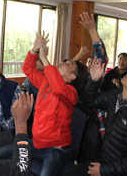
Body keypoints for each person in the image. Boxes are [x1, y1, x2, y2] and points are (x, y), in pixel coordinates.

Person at [70, 60, 127, 176]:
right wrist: (94, 80)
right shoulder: (117, 95)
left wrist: (104, 170)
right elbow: (90, 101)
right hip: (105, 161)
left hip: (119, 171)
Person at [22, 32, 89, 176]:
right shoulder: (45, 81)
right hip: (37, 144)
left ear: (72, 76)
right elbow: (28, 69)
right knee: (3, 153)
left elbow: (59, 89)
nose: (63, 62)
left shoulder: (71, 93)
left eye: (68, 63)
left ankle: (67, 164)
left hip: (56, 149)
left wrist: (44, 58)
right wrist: (34, 50)